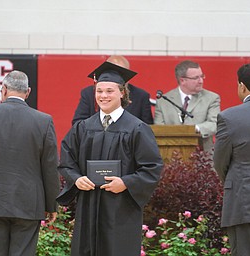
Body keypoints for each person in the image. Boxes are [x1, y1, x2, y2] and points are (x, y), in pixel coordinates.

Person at [57, 61, 163, 256]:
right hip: (88, 204)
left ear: (122, 92)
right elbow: (66, 159)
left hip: (121, 207)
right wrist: (76, 178)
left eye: (109, 91)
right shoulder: (83, 127)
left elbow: (152, 167)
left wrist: (126, 182)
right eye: (99, 91)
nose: (103, 96)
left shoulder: (137, 128)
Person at [0, 70, 60, 256]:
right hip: (28, 203)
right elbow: (50, 167)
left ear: (3, 90)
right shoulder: (43, 121)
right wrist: (51, 205)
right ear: (28, 92)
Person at [214, 63, 250, 256]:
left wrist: (235, 183)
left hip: (245, 203)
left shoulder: (230, 117)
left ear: (242, 86)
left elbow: (220, 163)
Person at [154, 60, 221, 153]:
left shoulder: (211, 98)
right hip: (170, 155)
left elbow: (214, 124)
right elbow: (159, 129)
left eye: (202, 76)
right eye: (196, 78)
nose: (201, 81)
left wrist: (193, 129)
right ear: (182, 80)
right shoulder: (163, 101)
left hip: (202, 156)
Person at [72, 55, 154, 125]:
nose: (104, 95)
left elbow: (147, 127)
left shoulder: (141, 96)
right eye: (100, 91)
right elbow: (78, 123)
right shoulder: (89, 93)